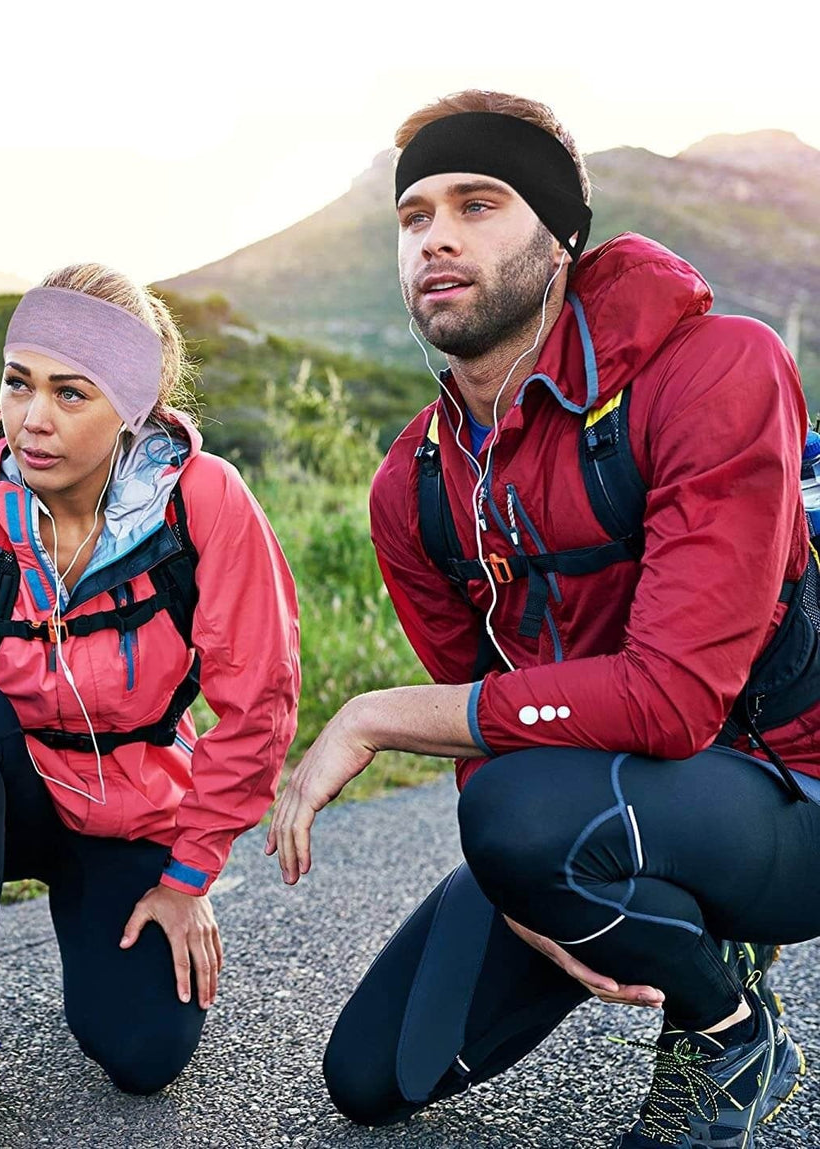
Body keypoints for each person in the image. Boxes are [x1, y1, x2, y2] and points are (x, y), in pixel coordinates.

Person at [266, 90, 820, 1148]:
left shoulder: (719, 370)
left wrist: (377, 716)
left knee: (526, 815)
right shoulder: (414, 486)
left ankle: (731, 1030)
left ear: (562, 236)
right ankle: (591, 878)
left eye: (478, 204)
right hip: (581, 800)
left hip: (788, 784)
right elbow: (486, 718)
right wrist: (525, 883)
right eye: (414, 215)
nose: (436, 236)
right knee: (373, 1076)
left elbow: (666, 702)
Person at [0, 263, 301, 1146]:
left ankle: (108, 925)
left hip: (134, 808)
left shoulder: (203, 504)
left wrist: (188, 875)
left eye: (70, 392)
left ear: (128, 404)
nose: (33, 417)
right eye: (19, 383)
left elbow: (259, 705)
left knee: (145, 1054)